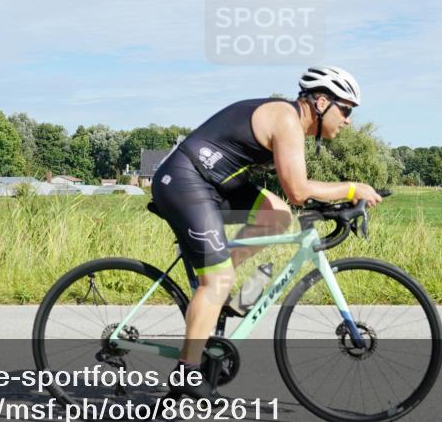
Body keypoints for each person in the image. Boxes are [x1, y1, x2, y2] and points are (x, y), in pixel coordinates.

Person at [151, 66, 383, 399]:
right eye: (346, 110)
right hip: (185, 182)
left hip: (213, 183)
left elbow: (295, 196)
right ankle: (186, 371)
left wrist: (336, 203)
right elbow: (298, 191)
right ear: (321, 102)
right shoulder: (287, 121)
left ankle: (219, 288)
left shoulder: (290, 120)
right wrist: (351, 189)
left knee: (277, 215)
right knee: (216, 281)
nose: (348, 120)